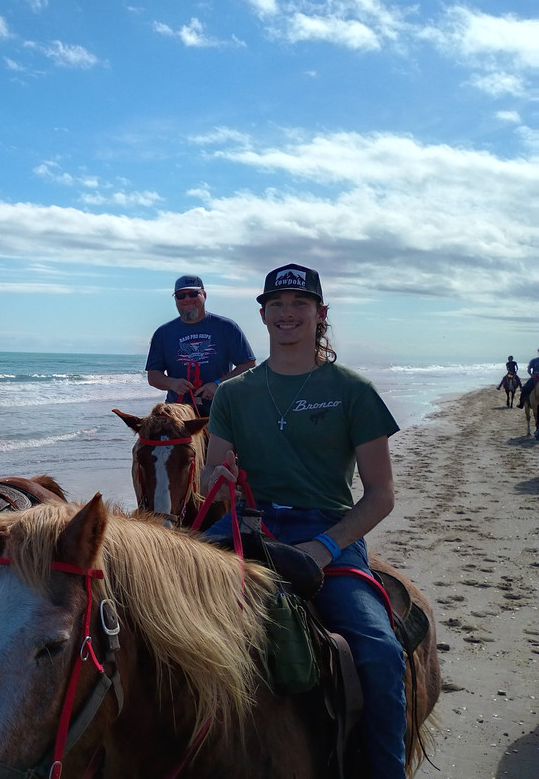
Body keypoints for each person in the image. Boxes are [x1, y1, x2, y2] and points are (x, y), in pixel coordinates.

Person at [200, 263, 407, 778]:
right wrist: (220, 480)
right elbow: (210, 483)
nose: (287, 312)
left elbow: (381, 495)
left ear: (320, 313)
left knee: (380, 652)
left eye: (299, 303)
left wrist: (325, 547)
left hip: (327, 530)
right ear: (263, 314)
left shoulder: (353, 390)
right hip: (249, 525)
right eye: (276, 303)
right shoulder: (234, 393)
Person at [146, 274, 256, 415]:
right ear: (175, 299)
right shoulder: (163, 333)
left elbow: (248, 365)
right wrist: (172, 383)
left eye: (193, 293)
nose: (187, 299)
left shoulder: (226, 327)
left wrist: (218, 384)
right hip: (179, 412)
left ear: (204, 295)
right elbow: (153, 376)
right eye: (181, 296)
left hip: (220, 408)